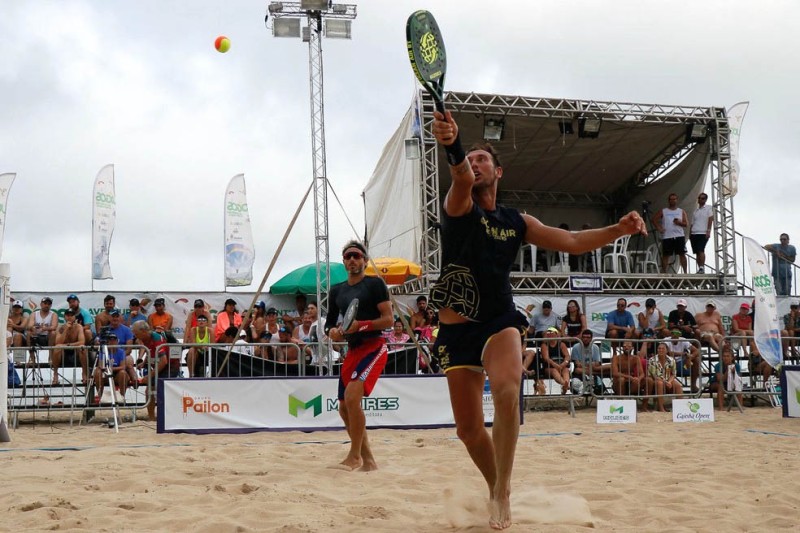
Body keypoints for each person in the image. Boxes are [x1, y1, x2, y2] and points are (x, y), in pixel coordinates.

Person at [431, 108, 646, 530]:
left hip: (498, 321)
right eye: (469, 159)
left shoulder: (516, 221)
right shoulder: (458, 206)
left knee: (509, 391)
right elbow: (457, 178)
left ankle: (501, 491)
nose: (474, 165)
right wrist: (452, 144)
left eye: (482, 160)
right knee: (469, 431)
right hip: (457, 330)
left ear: (499, 171)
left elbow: (570, 241)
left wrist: (617, 229)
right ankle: (497, 485)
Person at [324, 240, 394, 472]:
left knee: (353, 399)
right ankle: (369, 461)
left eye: (356, 256)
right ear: (343, 262)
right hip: (352, 350)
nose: (352, 260)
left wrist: (361, 326)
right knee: (344, 408)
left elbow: (388, 320)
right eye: (348, 256)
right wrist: (333, 332)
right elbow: (330, 325)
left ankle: (354, 456)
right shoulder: (337, 290)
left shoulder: (375, 284)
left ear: (364, 260)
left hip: (374, 346)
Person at [132, 321, 178, 421]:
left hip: (171, 365)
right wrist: (144, 363)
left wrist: (149, 376)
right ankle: (152, 418)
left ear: (143, 331)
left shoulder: (157, 338)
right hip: (161, 364)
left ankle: (166, 417)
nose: (135, 336)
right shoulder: (145, 338)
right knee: (149, 390)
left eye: (136, 333)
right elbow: (150, 352)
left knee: (162, 389)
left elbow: (163, 361)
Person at [92, 332, 135, 404]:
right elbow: (101, 365)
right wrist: (107, 369)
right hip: (105, 373)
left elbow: (123, 366)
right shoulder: (103, 351)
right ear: (107, 342)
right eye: (110, 340)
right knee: (98, 371)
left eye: (114, 340)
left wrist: (111, 369)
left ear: (117, 341)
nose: (112, 342)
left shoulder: (121, 352)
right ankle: (100, 396)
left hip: (117, 373)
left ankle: (121, 396)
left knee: (123, 373)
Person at [652, 192, 688, 273]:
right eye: (671, 199)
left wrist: (679, 222)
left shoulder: (681, 211)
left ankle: (685, 272)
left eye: (674, 199)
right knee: (666, 255)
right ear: (668, 201)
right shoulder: (664, 211)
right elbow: (654, 219)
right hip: (667, 236)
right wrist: (659, 228)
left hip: (679, 235)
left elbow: (686, 224)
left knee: (682, 254)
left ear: (677, 200)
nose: (673, 201)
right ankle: (664, 272)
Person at [51, 309, 86, 385]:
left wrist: (68, 345)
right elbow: (58, 342)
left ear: (74, 317)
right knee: (57, 348)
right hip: (63, 353)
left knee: (83, 347)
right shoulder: (61, 327)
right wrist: (66, 329)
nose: (69, 317)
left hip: (75, 351)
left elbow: (81, 342)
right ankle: (55, 374)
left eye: (71, 315)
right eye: (68, 315)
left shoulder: (79, 327)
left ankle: (84, 373)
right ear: (64, 317)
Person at [611, 340, 648, 411]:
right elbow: (615, 373)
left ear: (632, 348)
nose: (626, 348)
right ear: (622, 348)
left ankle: (641, 404)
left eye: (629, 346)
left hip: (630, 383)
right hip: (618, 383)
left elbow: (642, 373)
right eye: (624, 346)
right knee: (621, 379)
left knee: (644, 380)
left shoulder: (635, 358)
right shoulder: (616, 358)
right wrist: (629, 377)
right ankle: (621, 403)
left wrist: (638, 379)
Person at [647, 342, 682, 412]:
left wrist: (669, 381)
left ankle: (680, 408)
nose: (661, 350)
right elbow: (654, 375)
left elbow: (673, 374)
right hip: (655, 381)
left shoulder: (671, 360)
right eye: (659, 348)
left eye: (663, 348)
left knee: (678, 386)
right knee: (660, 383)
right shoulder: (652, 360)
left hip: (668, 379)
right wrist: (665, 382)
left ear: (667, 350)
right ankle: (661, 407)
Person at [570, 329, 608, 393]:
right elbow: (577, 364)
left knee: (606, 368)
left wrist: (585, 365)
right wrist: (591, 364)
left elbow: (597, 363)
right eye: (584, 337)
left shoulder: (595, 347)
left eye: (588, 337)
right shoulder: (576, 347)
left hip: (590, 369)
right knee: (578, 370)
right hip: (583, 370)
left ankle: (594, 378)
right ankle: (593, 375)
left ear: (591, 338)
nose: (585, 339)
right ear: (581, 338)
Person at [666, 328, 701, 393]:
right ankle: (668, 386)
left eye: (677, 333)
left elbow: (697, 351)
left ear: (680, 335)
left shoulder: (683, 340)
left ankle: (693, 385)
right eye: (673, 333)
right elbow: (668, 353)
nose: (675, 335)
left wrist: (690, 357)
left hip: (680, 363)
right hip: (668, 363)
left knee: (696, 360)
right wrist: (682, 354)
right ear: (671, 334)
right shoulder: (666, 340)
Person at [709, 345, 743, 410]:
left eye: (728, 356)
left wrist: (733, 373)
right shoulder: (718, 365)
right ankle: (721, 408)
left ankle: (740, 406)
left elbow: (738, 378)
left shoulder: (736, 366)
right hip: (716, 382)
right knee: (721, 386)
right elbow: (720, 380)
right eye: (724, 356)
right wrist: (728, 371)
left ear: (732, 357)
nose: (726, 358)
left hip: (729, 382)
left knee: (738, 386)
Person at [540, 326, 571, 394]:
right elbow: (546, 358)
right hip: (549, 367)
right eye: (548, 333)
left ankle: (565, 385)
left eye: (551, 332)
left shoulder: (561, 344)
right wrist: (555, 365)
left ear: (556, 334)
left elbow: (567, 356)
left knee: (566, 370)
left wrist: (563, 364)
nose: (549, 334)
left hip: (561, 365)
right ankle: (566, 385)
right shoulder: (544, 345)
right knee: (554, 371)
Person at [690, 192, 713, 273]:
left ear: (706, 199)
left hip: (702, 232)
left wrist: (708, 230)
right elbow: (692, 223)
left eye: (702, 198)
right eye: (699, 198)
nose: (700, 199)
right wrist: (690, 233)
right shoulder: (695, 211)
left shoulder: (708, 208)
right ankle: (700, 268)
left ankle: (702, 267)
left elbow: (710, 219)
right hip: (694, 233)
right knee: (697, 252)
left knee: (701, 250)